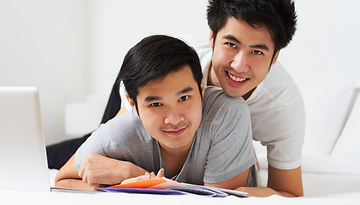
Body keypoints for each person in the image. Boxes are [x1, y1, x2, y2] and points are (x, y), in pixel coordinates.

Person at [49, 0, 305, 196]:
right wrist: (124, 170)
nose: (239, 65)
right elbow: (127, 137)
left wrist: (236, 155)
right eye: (231, 44)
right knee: (81, 151)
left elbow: (288, 193)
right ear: (212, 38)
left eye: (257, 52)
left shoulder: (283, 106)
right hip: (141, 79)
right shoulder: (177, 69)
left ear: (275, 56)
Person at [55, 35, 256, 191]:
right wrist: (125, 174)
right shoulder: (121, 132)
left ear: (201, 89)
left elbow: (222, 200)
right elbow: (62, 180)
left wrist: (143, 183)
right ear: (133, 105)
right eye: (156, 104)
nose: (175, 119)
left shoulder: (226, 114)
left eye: (184, 99)